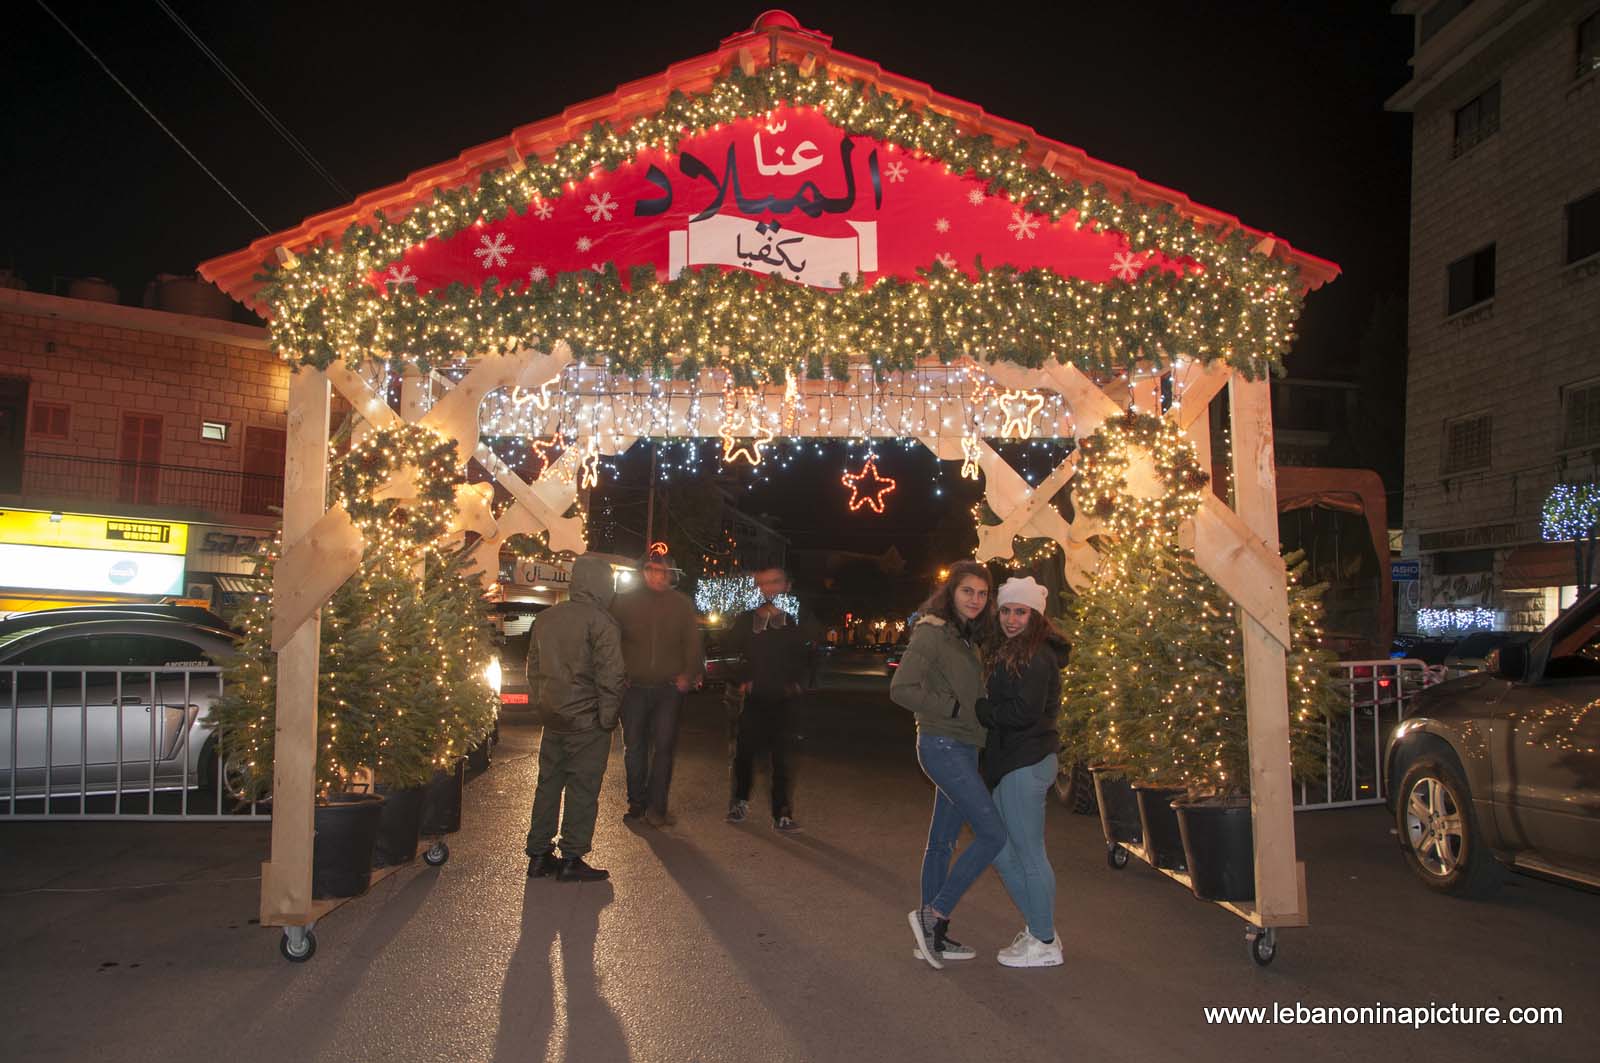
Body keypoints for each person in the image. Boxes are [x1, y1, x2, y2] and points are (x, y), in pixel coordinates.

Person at [890, 561, 1007, 969]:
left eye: (982, 593)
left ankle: (934, 937)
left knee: (941, 842)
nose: (975, 599)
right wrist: (954, 708)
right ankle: (933, 913)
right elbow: (901, 688)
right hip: (941, 743)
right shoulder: (933, 632)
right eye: (967, 591)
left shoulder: (968, 637)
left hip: (963, 747)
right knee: (993, 833)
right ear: (951, 593)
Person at [978, 576, 1069, 968]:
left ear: (1035, 615)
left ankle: (1045, 941)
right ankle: (1038, 927)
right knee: (1000, 849)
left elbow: (1023, 713)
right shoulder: (1016, 649)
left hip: (1025, 762)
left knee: (1029, 854)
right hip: (1013, 761)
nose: (1012, 619)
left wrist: (981, 711)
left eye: (1021, 611)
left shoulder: (1035, 655)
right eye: (1006, 610)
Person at [525, 554, 625, 882]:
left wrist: (543, 705)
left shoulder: (546, 619)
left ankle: (539, 855)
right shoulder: (602, 622)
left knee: (548, 785)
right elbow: (611, 677)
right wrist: (608, 720)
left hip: (553, 718)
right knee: (582, 789)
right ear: (602, 584)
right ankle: (571, 857)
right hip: (587, 722)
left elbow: (535, 669)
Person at [610, 551, 703, 827]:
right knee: (635, 746)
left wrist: (688, 673)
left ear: (670, 573)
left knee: (663, 747)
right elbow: (611, 639)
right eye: (651, 570)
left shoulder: (681, 604)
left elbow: (692, 642)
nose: (657, 576)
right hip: (634, 687)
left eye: (662, 571)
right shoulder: (624, 603)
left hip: (667, 688)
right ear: (643, 572)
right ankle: (636, 802)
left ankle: (657, 807)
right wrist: (619, 672)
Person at [723, 562, 814, 832]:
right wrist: (742, 681)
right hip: (755, 699)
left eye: (775, 582)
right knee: (745, 754)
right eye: (764, 583)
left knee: (783, 758)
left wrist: (797, 683)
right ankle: (739, 801)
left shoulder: (793, 620)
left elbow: (805, 655)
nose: (769, 588)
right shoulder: (745, 620)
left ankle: (782, 812)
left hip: (784, 702)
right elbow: (728, 653)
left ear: (785, 585)